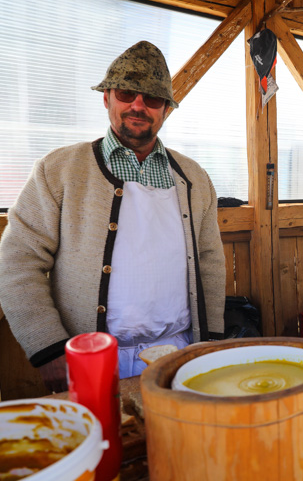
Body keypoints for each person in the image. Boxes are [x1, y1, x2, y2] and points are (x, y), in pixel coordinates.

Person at [0, 41, 226, 388]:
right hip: (90, 360)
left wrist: (210, 339)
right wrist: (47, 347)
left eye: (151, 99)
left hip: (179, 353)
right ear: (107, 98)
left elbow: (210, 260)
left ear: (165, 109)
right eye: (126, 93)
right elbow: (17, 261)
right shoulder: (58, 170)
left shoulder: (193, 177)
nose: (138, 105)